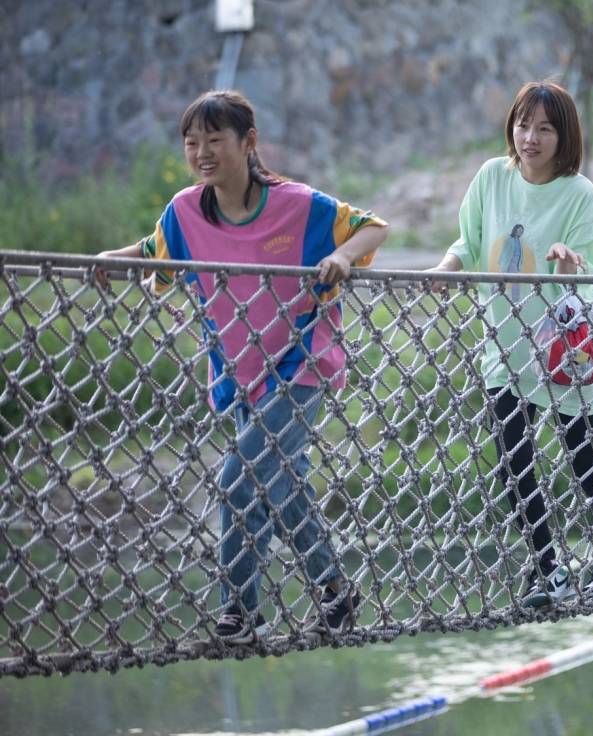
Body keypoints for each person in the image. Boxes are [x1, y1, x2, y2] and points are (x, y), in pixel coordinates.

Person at [94, 90, 388, 644]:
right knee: (282, 489)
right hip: (239, 374)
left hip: (302, 364)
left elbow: (374, 226)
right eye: (192, 143)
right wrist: (115, 259)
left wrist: (342, 256)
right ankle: (335, 592)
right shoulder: (185, 210)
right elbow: (155, 245)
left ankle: (239, 609)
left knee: (237, 482)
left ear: (248, 143)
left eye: (214, 140)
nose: (202, 152)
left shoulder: (299, 205)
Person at [427, 81, 593, 608]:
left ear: (564, 136)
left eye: (545, 128)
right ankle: (548, 569)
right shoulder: (492, 177)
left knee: (583, 456)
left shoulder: (579, 192)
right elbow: (467, 241)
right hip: (505, 349)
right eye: (524, 124)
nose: (531, 137)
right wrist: (447, 267)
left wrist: (567, 261)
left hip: (564, 353)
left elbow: (585, 276)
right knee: (513, 464)